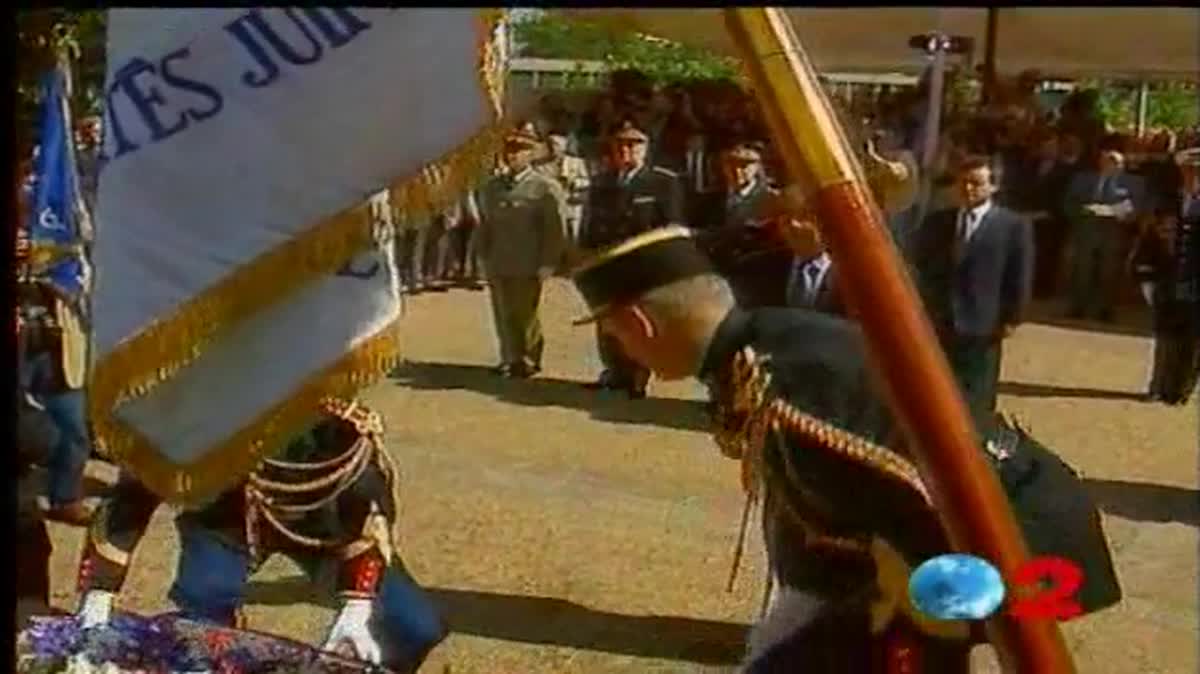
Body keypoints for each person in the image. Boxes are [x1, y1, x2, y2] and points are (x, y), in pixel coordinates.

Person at [568, 226, 1120, 673]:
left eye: (614, 333)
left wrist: (880, 621)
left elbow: (914, 510)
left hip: (1022, 540)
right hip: (972, 531)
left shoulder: (790, 381)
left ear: (639, 322)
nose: (618, 347)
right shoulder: (760, 350)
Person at [75, 397, 446, 673]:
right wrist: (97, 598)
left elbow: (367, 505)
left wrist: (358, 604)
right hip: (226, 520)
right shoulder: (190, 402)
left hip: (319, 527)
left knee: (414, 626)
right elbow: (128, 502)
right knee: (202, 620)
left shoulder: (323, 405)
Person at [912, 156, 1035, 427]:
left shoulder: (1012, 226)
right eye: (963, 182)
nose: (968, 189)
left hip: (983, 322)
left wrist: (1013, 318)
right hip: (939, 320)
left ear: (993, 187)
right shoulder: (937, 222)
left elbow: (1019, 275)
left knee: (977, 394)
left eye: (976, 183)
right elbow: (920, 265)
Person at [578, 120, 684, 398]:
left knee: (639, 324)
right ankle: (614, 372)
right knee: (609, 323)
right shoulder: (602, 182)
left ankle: (638, 376)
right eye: (621, 145)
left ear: (646, 149)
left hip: (643, 266)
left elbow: (671, 226)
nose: (627, 150)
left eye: (634, 145)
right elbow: (591, 224)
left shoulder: (662, 182)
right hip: (608, 264)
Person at [475, 127, 569, 379]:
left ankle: (529, 358)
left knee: (526, 313)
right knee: (502, 311)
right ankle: (509, 357)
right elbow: (485, 224)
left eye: (520, 151)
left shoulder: (544, 188)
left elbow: (555, 229)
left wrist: (549, 262)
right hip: (499, 258)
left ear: (531, 154)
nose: (513, 156)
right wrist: (482, 255)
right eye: (510, 151)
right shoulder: (493, 187)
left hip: (528, 260)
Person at [20, 276, 95, 526]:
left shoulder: (68, 249)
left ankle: (65, 499)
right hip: (22, 341)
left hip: (57, 346)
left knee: (73, 428)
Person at [692, 140, 794, 309]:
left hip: (757, 280)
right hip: (716, 277)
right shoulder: (707, 200)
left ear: (758, 167)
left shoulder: (772, 200)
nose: (737, 170)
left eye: (746, 164)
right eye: (731, 163)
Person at [1063, 148, 1142, 322]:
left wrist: (1119, 213)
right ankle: (1078, 306)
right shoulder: (1082, 179)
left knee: (1110, 271)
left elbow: (1136, 207)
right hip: (1087, 229)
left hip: (1114, 232)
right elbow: (1069, 202)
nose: (1110, 165)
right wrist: (1082, 211)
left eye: (1115, 162)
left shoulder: (1133, 183)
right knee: (1082, 269)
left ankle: (1106, 309)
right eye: (1107, 160)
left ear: (1122, 165)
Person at [536, 130, 590, 247]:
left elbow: (586, 181)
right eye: (550, 144)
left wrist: (574, 182)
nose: (553, 148)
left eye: (556, 144)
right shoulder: (541, 167)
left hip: (573, 205)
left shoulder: (577, 163)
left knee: (574, 238)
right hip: (553, 208)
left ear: (564, 146)